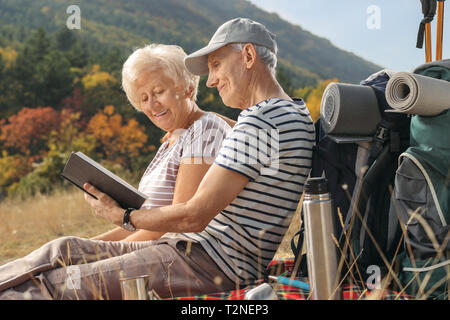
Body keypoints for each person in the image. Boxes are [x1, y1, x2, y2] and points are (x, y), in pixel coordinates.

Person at [0, 17, 315, 300]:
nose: (210, 80)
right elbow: (242, 145)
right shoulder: (283, 114)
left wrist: (123, 216)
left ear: (248, 56)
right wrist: (192, 130)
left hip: (209, 261)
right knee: (64, 248)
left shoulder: (262, 121)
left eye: (216, 64)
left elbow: (193, 216)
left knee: (53, 285)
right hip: (198, 252)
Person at [0, 44, 231, 299]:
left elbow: (176, 226)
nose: (152, 105)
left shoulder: (204, 129)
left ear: (187, 88)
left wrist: (97, 245)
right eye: (143, 98)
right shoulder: (171, 141)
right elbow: (136, 225)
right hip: (155, 248)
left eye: (159, 92)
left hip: (182, 257)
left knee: (52, 280)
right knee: (63, 249)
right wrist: (85, 248)